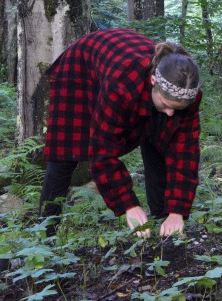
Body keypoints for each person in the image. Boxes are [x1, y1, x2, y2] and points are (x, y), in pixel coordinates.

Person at [38, 28, 202, 238]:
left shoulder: (187, 95)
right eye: (166, 104)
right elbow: (103, 152)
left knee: (161, 140)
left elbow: (185, 154)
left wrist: (177, 211)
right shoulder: (121, 86)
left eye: (177, 108)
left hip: (125, 66)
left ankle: (162, 221)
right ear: (153, 82)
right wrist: (128, 205)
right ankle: (46, 233)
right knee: (64, 154)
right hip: (81, 68)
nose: (171, 113)